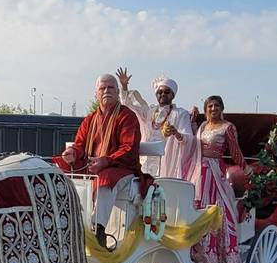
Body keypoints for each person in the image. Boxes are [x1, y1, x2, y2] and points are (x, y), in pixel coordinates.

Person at [61, 73, 145, 250]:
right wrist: (72, 153)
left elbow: (128, 148)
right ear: (96, 94)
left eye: (111, 88)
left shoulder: (127, 116)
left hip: (121, 169)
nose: (106, 91)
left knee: (105, 179)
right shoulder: (90, 119)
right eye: (102, 88)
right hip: (93, 166)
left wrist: (105, 161)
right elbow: (80, 144)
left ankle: (98, 231)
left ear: (117, 92)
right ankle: (69, 225)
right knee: (61, 169)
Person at [190, 95, 246, 263]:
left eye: (216, 106)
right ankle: (195, 252)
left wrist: (247, 170)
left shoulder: (228, 127)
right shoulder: (202, 126)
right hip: (199, 171)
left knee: (216, 209)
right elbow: (192, 143)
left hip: (214, 172)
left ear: (222, 108)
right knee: (195, 208)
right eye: (210, 106)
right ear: (206, 110)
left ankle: (217, 254)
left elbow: (235, 151)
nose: (213, 109)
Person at [116, 68, 198, 180]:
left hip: (168, 161)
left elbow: (188, 138)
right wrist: (124, 86)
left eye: (166, 92)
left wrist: (176, 133)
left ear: (173, 95)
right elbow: (130, 105)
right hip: (146, 161)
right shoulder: (150, 112)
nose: (163, 94)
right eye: (160, 92)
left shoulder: (180, 113)